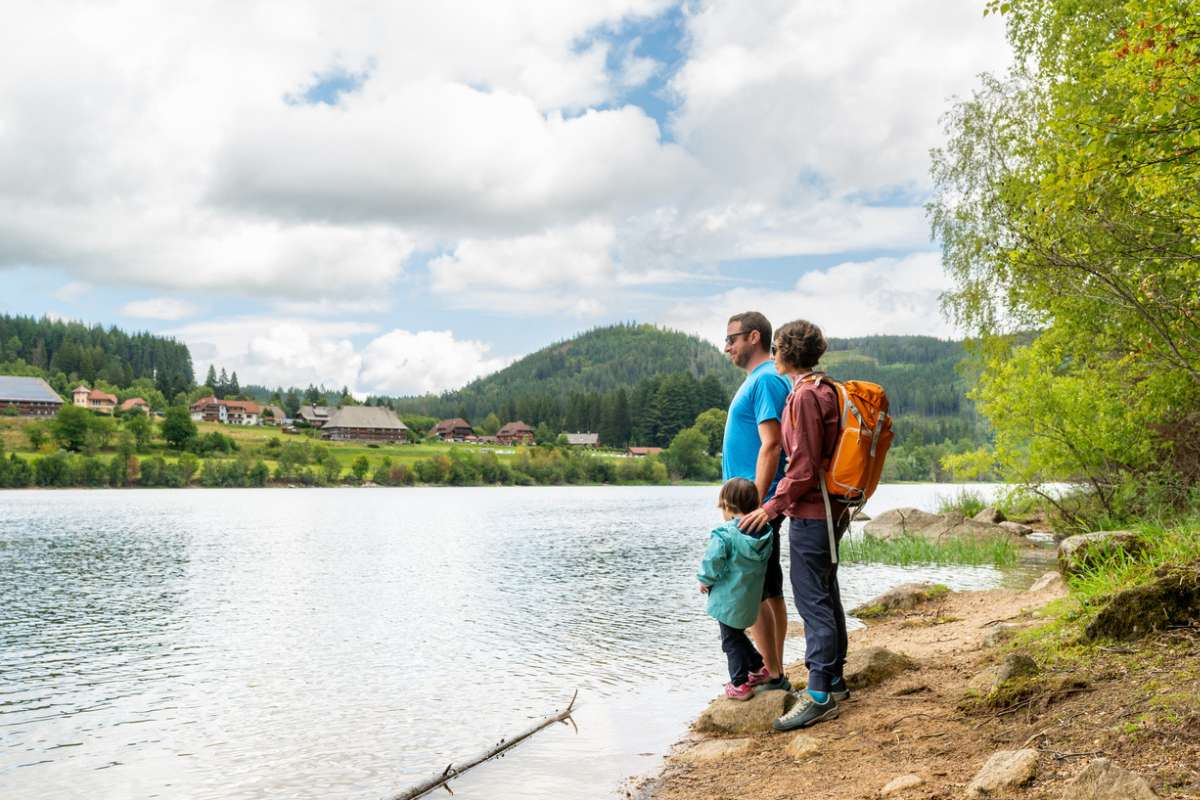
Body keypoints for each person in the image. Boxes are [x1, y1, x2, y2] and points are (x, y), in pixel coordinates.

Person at [739, 319, 849, 731]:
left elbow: (802, 468)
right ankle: (833, 680)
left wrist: (771, 508)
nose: (772, 356)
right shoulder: (826, 388)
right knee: (826, 592)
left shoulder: (804, 396)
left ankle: (819, 694)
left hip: (812, 513)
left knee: (812, 600)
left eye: (775, 349)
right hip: (829, 509)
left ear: (783, 352)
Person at [721, 311, 792, 692]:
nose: (727, 347)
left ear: (753, 337)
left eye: (731, 338)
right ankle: (774, 670)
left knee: (754, 591)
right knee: (767, 588)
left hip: (754, 506)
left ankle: (771, 673)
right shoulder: (761, 379)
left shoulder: (765, 380)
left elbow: (772, 444)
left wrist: (758, 506)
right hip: (753, 504)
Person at [698, 477, 774, 701]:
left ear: (729, 507)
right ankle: (759, 668)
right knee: (737, 635)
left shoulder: (725, 535)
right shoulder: (764, 533)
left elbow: (713, 561)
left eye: (722, 507)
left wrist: (705, 579)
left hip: (728, 599)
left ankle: (739, 683)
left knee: (730, 641)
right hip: (749, 597)